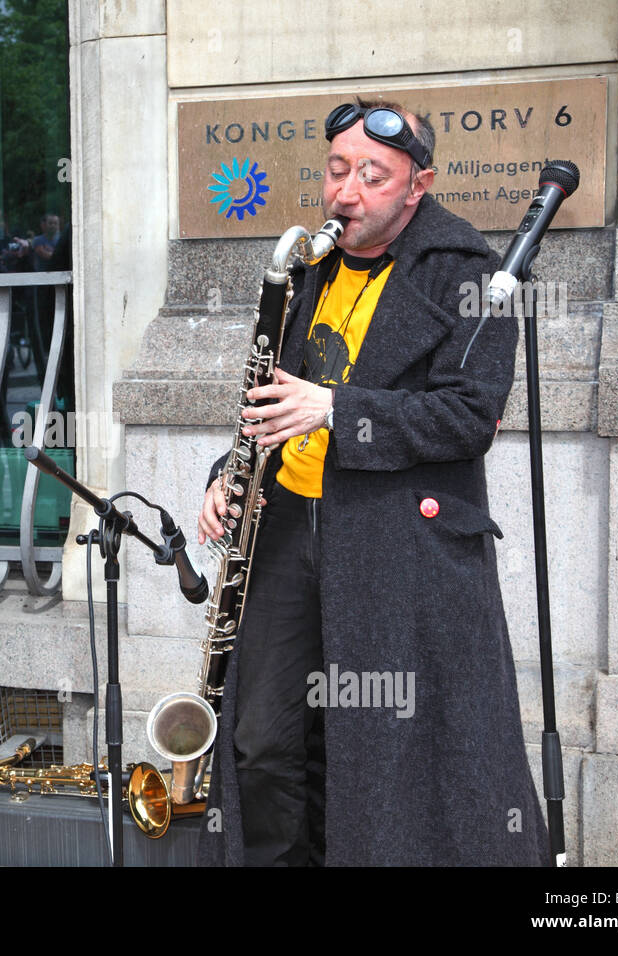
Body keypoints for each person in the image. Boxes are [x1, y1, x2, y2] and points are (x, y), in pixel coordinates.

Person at [196, 98, 549, 866]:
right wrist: (231, 472)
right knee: (262, 742)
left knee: (381, 762)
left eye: (372, 176)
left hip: (396, 541)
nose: (345, 194)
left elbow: (468, 417)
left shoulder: (468, 272)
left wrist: (336, 409)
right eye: (336, 170)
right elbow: (270, 397)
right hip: (290, 528)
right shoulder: (308, 268)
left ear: (417, 186)